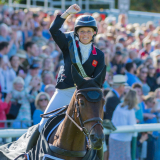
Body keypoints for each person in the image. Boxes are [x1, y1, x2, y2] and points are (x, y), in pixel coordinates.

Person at [39, 4, 105, 132]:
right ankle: (28, 151)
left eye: (88, 31)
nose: (85, 34)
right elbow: (53, 30)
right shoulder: (68, 44)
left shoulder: (100, 55)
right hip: (65, 91)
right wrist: (67, 13)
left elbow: (99, 81)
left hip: (84, 97)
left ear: (94, 32)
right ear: (77, 32)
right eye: (82, 31)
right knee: (42, 126)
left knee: (97, 131)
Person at [109, 88, 138, 160]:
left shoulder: (119, 105)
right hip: (123, 140)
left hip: (113, 137)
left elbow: (113, 120)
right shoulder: (130, 110)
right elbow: (132, 128)